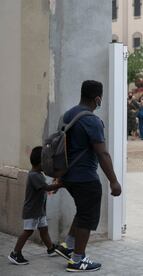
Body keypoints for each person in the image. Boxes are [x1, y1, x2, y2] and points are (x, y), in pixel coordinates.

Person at [55, 80, 122, 272]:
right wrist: (114, 182)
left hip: (68, 175)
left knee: (82, 210)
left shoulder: (68, 114)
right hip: (85, 177)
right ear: (98, 98)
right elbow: (102, 154)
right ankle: (77, 259)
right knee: (87, 217)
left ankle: (68, 246)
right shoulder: (91, 121)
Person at [8, 147, 63, 265]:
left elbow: (45, 187)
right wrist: (60, 185)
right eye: (46, 162)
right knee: (28, 231)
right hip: (32, 211)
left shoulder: (38, 173)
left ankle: (50, 248)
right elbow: (46, 188)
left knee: (44, 229)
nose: (47, 164)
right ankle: (15, 253)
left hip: (39, 211)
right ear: (40, 163)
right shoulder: (34, 175)